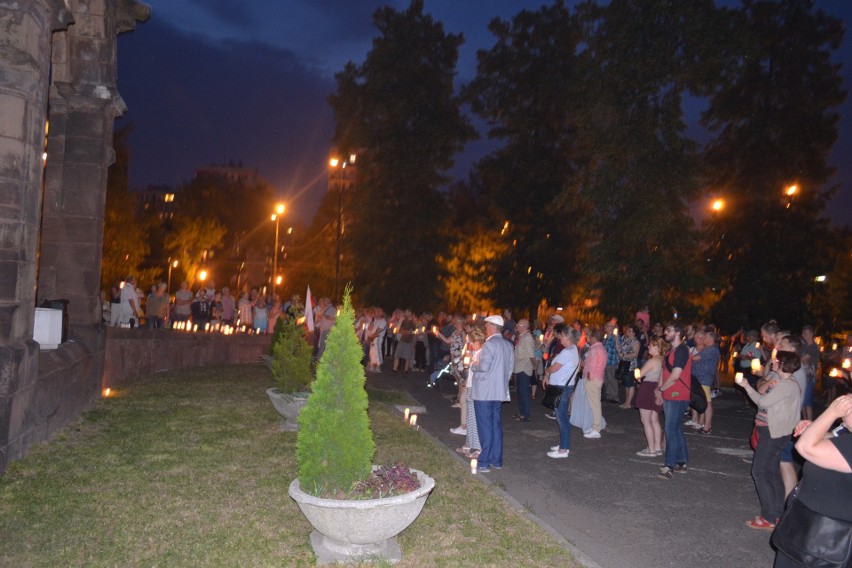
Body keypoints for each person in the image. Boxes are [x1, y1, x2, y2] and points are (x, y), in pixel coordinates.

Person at [773, 394, 852, 568]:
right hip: (804, 526)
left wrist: (831, 412)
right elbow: (832, 437)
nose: (845, 409)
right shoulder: (846, 435)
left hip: (826, 542)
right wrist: (816, 428)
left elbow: (805, 447)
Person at [736, 350, 803, 529]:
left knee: (760, 472)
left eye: (776, 360)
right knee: (772, 473)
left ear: (782, 363)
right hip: (777, 432)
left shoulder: (786, 385)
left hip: (773, 433)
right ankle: (776, 515)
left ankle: (768, 517)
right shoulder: (785, 382)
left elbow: (762, 402)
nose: (772, 362)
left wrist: (746, 386)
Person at [470, 315, 514, 473]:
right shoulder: (508, 345)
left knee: (485, 426)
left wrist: (474, 366)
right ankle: (497, 459)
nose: (485, 328)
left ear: (492, 326)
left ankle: (484, 461)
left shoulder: (489, 345)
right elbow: (509, 370)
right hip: (498, 391)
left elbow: (483, 367)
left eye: (487, 325)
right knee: (495, 425)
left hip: (484, 391)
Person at [656, 323, 693, 478]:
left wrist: (662, 388)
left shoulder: (682, 350)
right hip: (669, 394)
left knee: (670, 429)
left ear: (678, 333)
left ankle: (669, 466)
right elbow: (664, 371)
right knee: (676, 429)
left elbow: (676, 374)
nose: (665, 332)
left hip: (677, 394)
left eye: (669, 330)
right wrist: (659, 389)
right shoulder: (671, 351)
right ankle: (681, 461)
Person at [541, 325, 581, 458]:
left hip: (561, 388)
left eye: (562, 336)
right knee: (561, 417)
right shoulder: (572, 349)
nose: (560, 339)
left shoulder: (568, 352)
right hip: (565, 386)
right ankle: (564, 444)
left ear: (568, 337)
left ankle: (564, 449)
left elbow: (554, 368)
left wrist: (546, 372)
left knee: (562, 418)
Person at [634, 336, 667, 457]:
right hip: (657, 388)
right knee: (654, 420)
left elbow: (639, 375)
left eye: (651, 345)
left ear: (658, 347)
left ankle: (651, 449)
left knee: (645, 420)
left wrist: (636, 372)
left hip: (648, 388)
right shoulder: (663, 359)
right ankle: (657, 447)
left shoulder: (653, 360)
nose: (648, 347)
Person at [687, 330, 720, 434]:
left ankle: (707, 427)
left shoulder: (711, 350)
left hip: (704, 379)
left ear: (710, 339)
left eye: (705, 337)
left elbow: (694, 358)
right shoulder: (709, 349)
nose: (703, 339)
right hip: (701, 379)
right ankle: (705, 425)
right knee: (705, 401)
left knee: (707, 403)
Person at [582, 326, 607, 439]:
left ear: (594, 338)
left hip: (593, 379)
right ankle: (595, 426)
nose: (588, 338)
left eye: (590, 336)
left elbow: (592, 366)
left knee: (595, 404)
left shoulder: (595, 349)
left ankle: (596, 428)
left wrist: (588, 377)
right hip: (597, 378)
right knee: (595, 403)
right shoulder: (601, 348)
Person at [512, 319, 536, 423]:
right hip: (519, 367)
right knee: (520, 392)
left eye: (518, 324)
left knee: (524, 392)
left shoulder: (527, 338)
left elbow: (531, 354)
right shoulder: (522, 337)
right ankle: (522, 412)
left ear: (524, 326)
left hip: (524, 368)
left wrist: (534, 365)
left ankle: (525, 414)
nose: (517, 326)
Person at [617, 324, 640, 409]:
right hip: (623, 363)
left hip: (630, 365)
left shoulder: (635, 341)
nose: (627, 332)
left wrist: (623, 355)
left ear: (634, 333)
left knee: (630, 383)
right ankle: (626, 401)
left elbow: (635, 354)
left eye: (630, 331)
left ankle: (629, 402)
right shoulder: (625, 340)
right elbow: (619, 348)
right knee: (626, 384)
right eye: (627, 330)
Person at [800, 325, 820, 421]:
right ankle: (804, 420)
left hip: (809, 376)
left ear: (811, 334)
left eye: (806, 333)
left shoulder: (814, 347)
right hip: (801, 375)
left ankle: (809, 422)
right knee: (802, 400)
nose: (804, 335)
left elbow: (804, 359)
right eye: (803, 333)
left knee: (807, 401)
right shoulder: (804, 346)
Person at [602, 320, 620, 405]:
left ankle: (614, 397)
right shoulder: (606, 337)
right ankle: (609, 395)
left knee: (612, 379)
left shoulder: (614, 337)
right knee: (606, 379)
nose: (606, 327)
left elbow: (617, 348)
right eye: (606, 325)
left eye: (609, 326)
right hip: (605, 362)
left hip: (611, 362)